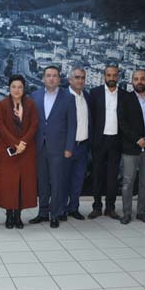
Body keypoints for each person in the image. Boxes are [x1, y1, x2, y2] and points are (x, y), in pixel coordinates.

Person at [30, 65, 76, 228]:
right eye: (48, 75)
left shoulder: (68, 98)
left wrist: (69, 148)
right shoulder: (35, 96)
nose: (51, 78)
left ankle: (55, 214)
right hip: (39, 147)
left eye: (54, 76)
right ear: (43, 78)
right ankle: (42, 213)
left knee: (57, 182)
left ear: (59, 79)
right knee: (42, 182)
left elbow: (72, 125)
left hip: (59, 148)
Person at [0, 75, 39, 228]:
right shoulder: (2, 104)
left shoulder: (31, 104)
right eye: (14, 87)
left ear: (24, 88)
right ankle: (9, 215)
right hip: (8, 151)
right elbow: (0, 125)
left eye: (20, 87)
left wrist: (23, 143)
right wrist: (15, 143)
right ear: (9, 88)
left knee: (22, 184)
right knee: (9, 184)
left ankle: (18, 216)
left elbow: (34, 124)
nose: (17, 90)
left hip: (26, 151)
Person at [88, 65, 127, 220]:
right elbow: (91, 117)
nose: (111, 78)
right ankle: (97, 207)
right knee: (97, 175)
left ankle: (110, 208)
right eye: (109, 75)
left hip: (116, 141)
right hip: (99, 140)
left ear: (118, 77)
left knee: (112, 177)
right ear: (104, 76)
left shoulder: (124, 95)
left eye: (114, 75)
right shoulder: (95, 93)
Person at [120, 70, 145, 224]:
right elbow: (122, 122)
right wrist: (137, 139)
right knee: (128, 182)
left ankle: (141, 212)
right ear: (132, 82)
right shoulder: (125, 99)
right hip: (131, 147)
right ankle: (127, 213)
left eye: (142, 78)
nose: (139, 81)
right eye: (136, 79)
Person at [62, 67, 91, 220]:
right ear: (70, 80)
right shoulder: (62, 97)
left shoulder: (87, 97)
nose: (80, 81)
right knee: (63, 180)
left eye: (83, 78)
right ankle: (60, 209)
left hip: (83, 146)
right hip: (67, 146)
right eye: (77, 77)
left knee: (78, 180)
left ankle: (73, 208)